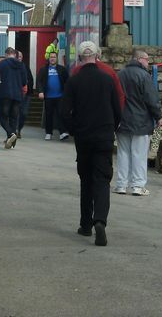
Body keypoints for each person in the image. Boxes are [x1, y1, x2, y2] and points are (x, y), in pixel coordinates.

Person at [62, 41, 122, 246]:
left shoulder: (74, 81)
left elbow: (64, 111)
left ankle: (85, 224)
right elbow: (118, 109)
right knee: (102, 180)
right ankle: (100, 221)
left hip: (84, 137)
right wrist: (111, 127)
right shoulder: (107, 79)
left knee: (86, 179)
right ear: (97, 56)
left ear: (79, 58)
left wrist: (73, 129)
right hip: (104, 135)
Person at [115, 48, 161, 196]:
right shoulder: (144, 76)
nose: (148, 63)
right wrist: (158, 116)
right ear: (139, 59)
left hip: (122, 120)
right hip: (141, 121)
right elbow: (151, 99)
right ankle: (138, 186)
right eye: (147, 59)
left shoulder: (120, 75)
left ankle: (121, 185)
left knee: (123, 153)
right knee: (139, 154)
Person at [0, 47, 27, 149]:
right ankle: (11, 143)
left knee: (3, 117)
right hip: (17, 95)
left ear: (6, 54)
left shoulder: (2, 64)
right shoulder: (21, 65)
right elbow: (24, 81)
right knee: (14, 118)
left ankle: (10, 134)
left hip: (5, 94)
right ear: (14, 54)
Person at [38, 51, 69, 141]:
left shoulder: (62, 69)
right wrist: (40, 91)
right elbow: (39, 81)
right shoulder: (44, 69)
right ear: (49, 58)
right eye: (51, 57)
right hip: (48, 96)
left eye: (54, 57)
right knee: (49, 115)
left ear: (56, 58)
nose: (52, 59)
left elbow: (68, 81)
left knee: (61, 114)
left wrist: (67, 93)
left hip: (60, 96)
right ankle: (48, 133)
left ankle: (62, 132)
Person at [18, 51, 33, 138]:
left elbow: (30, 79)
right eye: (18, 56)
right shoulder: (14, 67)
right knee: (16, 113)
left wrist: (27, 85)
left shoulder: (25, 67)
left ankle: (19, 129)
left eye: (20, 56)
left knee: (24, 113)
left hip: (26, 94)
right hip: (16, 93)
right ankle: (15, 131)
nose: (19, 57)